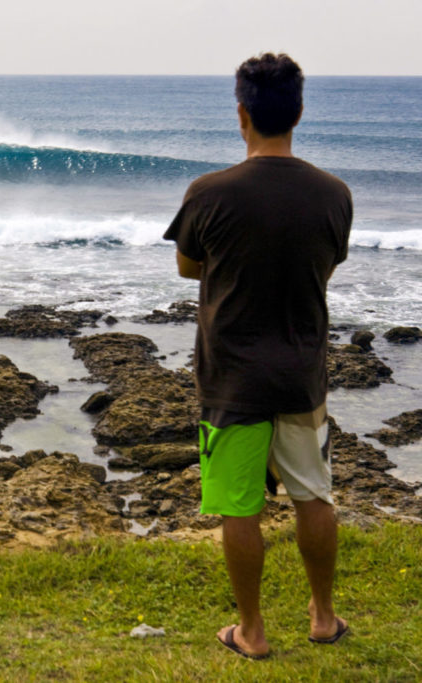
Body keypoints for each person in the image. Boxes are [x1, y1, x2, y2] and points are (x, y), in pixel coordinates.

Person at [163, 53, 353, 659]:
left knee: (238, 507)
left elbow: (189, 267)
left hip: (232, 380)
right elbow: (329, 262)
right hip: (302, 374)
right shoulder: (334, 194)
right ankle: (323, 617)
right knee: (314, 496)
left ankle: (252, 631)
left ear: (241, 114)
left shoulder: (209, 192)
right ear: (299, 112)